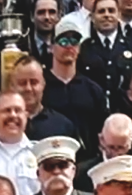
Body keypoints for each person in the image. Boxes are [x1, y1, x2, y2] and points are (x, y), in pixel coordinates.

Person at [43, 13, 108, 152]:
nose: (69, 46)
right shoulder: (40, 86)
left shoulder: (92, 89)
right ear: (51, 46)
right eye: (63, 41)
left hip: (86, 159)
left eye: (74, 41)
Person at [10, 56, 79, 143]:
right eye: (22, 83)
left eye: (34, 82)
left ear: (43, 84)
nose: (28, 88)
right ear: (12, 86)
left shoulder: (62, 126)